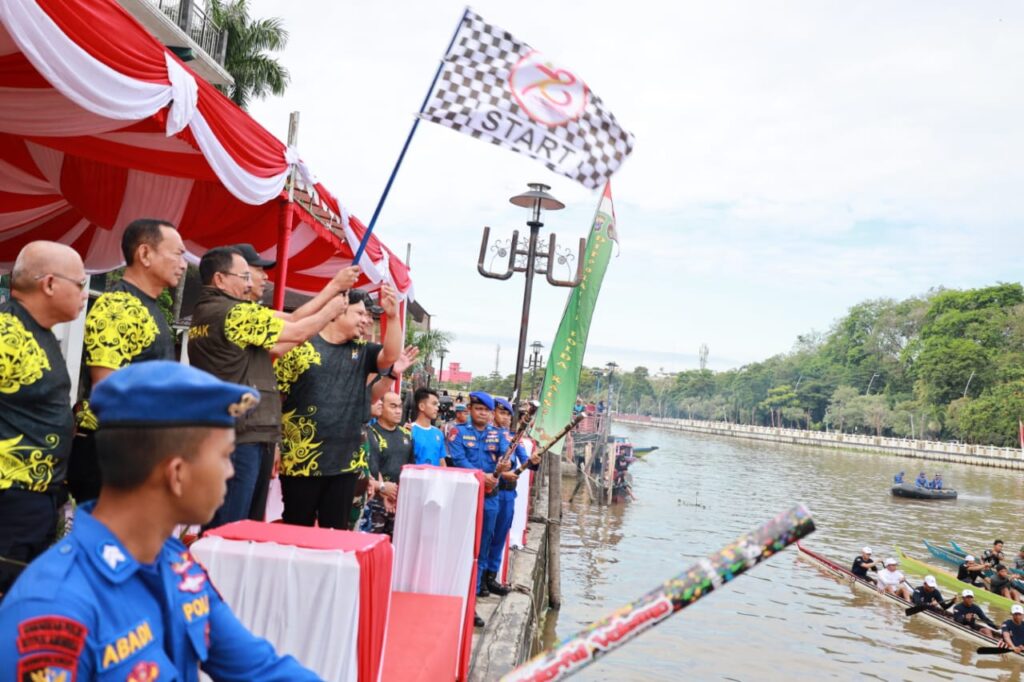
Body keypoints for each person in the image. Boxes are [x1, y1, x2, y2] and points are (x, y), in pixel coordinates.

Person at [0, 361, 318, 679]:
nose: (231, 470)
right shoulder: (54, 610)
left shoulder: (173, 564)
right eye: (224, 456)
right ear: (176, 473)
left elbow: (259, 668)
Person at [188, 247, 352, 530]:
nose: (252, 282)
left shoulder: (209, 313)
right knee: (234, 525)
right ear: (219, 279)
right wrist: (331, 311)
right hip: (241, 432)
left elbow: (292, 323)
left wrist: (333, 289)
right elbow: (298, 329)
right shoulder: (234, 313)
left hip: (231, 429)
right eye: (244, 275)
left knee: (231, 520)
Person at [74, 220, 187, 502]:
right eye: (177, 253)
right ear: (145, 254)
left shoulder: (151, 306)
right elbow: (108, 387)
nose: (183, 264)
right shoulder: (118, 306)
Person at [273, 287, 401, 530]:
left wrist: (393, 317)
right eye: (360, 313)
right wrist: (276, 443)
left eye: (368, 316)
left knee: (336, 537)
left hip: (346, 465)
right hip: (301, 463)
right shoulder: (300, 345)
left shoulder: (362, 351)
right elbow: (276, 398)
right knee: (295, 534)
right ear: (336, 312)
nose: (365, 320)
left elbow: (390, 355)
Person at [0, 242, 88, 594]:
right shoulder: (7, 334)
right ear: (49, 284)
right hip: (10, 496)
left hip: (39, 497)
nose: (84, 294)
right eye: (80, 284)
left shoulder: (40, 333)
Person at [448, 392, 511, 620]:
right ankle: (456, 594)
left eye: (486, 410)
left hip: (490, 498)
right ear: (470, 410)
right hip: (466, 495)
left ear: (491, 413)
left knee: (481, 549)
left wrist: (505, 464)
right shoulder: (458, 432)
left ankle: (472, 600)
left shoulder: (499, 434)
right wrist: (482, 476)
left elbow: (507, 455)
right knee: (462, 546)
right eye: (478, 409)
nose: (482, 413)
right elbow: (458, 460)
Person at [483, 397, 537, 596]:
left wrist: (533, 460)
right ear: (493, 414)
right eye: (501, 413)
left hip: (508, 493)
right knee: (486, 536)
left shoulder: (513, 438)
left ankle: (491, 577)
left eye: (508, 414)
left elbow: (526, 460)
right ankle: (481, 579)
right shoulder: (486, 436)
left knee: (499, 537)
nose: (505, 417)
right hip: (492, 491)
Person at [360, 392, 414, 537]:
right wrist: (384, 492)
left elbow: (410, 467)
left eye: (400, 407)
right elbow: (373, 467)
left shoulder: (407, 434)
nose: (398, 411)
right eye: (393, 406)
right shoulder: (370, 434)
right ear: (380, 407)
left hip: (400, 502)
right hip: (376, 502)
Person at [411, 387, 448, 467]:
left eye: (437, 405)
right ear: (422, 406)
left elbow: (442, 461)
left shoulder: (438, 433)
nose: (437, 408)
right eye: (434, 404)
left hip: (435, 478)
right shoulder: (409, 431)